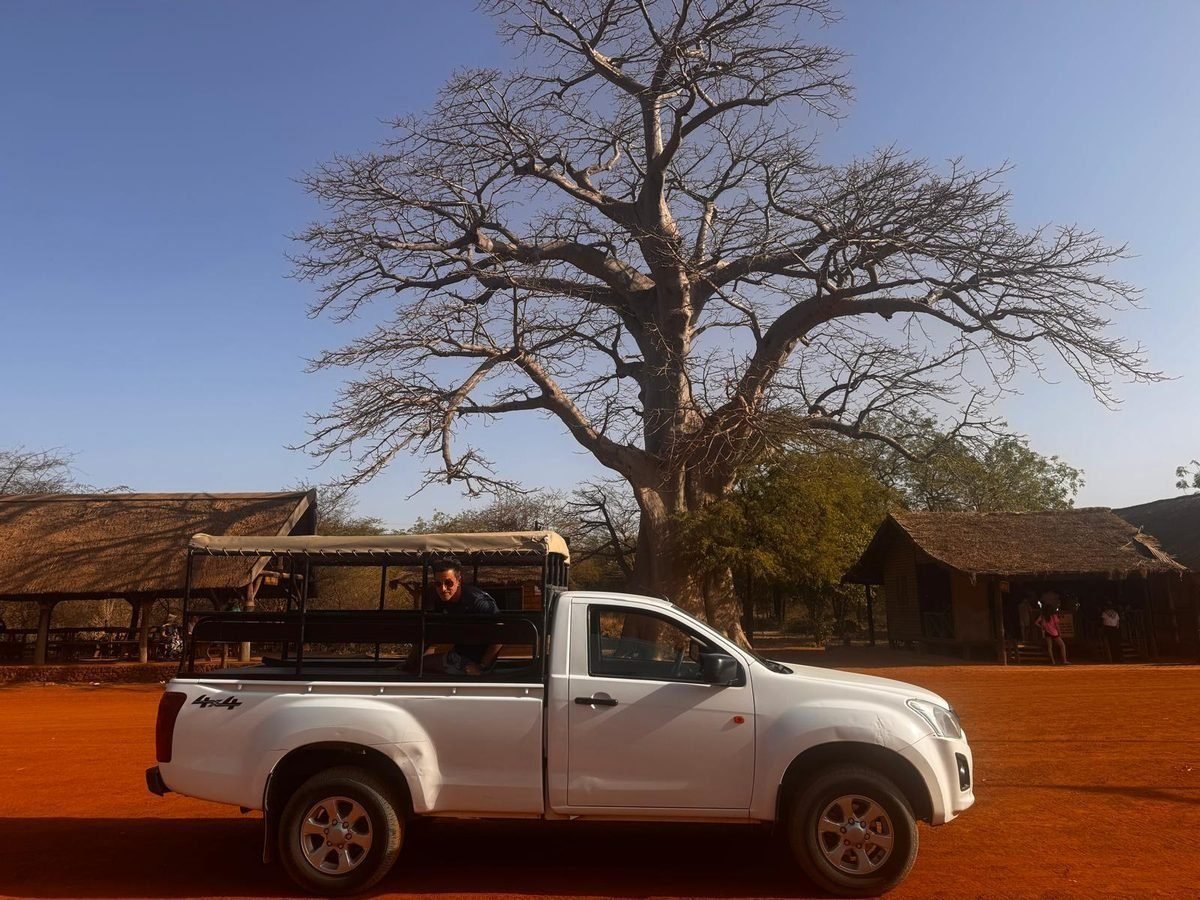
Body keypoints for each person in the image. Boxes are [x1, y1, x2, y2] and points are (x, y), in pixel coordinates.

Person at [419, 558, 503, 676]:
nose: (443, 589)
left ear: (459, 580)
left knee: (419, 665)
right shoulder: (440, 600)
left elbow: (500, 635)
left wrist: (481, 667)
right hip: (459, 655)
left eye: (448, 583)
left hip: (476, 662)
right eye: (438, 584)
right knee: (418, 664)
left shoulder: (478, 602)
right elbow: (432, 634)